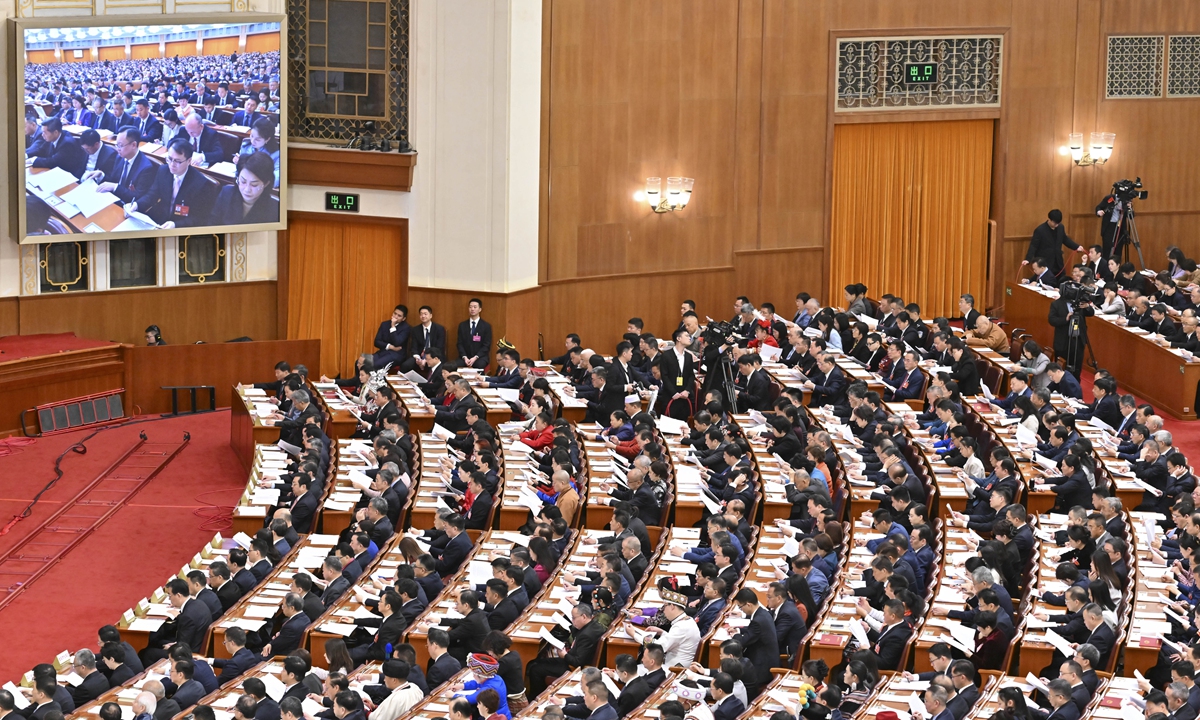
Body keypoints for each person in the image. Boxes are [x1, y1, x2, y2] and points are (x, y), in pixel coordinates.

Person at [127, 137, 218, 229]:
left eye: (177, 161)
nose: (172, 164)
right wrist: (137, 205)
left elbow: (199, 218)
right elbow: (152, 195)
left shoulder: (201, 184)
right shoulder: (163, 170)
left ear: (189, 161)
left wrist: (175, 225)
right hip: (160, 219)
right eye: (169, 159)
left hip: (181, 225)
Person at [212, 151, 279, 224]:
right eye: (243, 182)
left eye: (254, 185)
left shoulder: (275, 209)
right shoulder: (226, 193)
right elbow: (213, 223)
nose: (247, 190)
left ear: (266, 183)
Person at [1024, 209, 1080, 277]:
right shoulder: (1040, 230)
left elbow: (1065, 239)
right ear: (1049, 219)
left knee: (1061, 278)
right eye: (1054, 223)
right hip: (1046, 262)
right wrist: (1028, 259)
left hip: (1058, 261)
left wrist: (1077, 247)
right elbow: (1033, 246)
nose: (1056, 225)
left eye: (1058, 223)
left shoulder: (1060, 227)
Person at [457, 298, 493, 369]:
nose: (472, 309)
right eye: (470, 307)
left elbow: (486, 345)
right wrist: (464, 357)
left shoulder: (486, 326)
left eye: (475, 307)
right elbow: (459, 343)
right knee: (451, 366)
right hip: (465, 357)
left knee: (478, 366)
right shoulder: (462, 325)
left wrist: (475, 357)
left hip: (480, 357)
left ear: (480, 309)